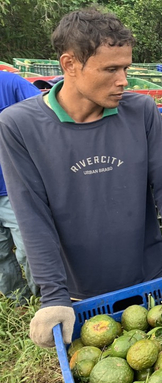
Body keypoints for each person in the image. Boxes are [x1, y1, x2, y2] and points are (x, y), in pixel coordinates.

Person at [0, 7, 162, 348]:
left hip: (149, 279)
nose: (123, 80)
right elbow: (32, 215)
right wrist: (53, 296)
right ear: (70, 65)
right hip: (79, 293)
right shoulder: (19, 126)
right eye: (110, 69)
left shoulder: (141, 112)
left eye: (126, 68)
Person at [0, 72, 41, 302]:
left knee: (30, 248)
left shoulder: (10, 84)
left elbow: (43, 117)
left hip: (12, 186)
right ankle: (18, 300)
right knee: (1, 254)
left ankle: (45, 298)